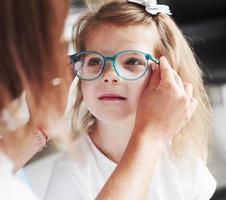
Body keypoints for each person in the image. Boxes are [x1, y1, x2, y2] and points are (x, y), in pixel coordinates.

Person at [0, 0, 201, 199]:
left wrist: (40, 126)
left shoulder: (181, 152)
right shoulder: (72, 173)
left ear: (167, 77)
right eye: (95, 61)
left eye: (132, 61)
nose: (110, 74)